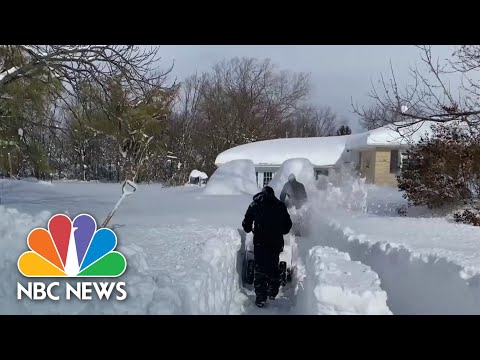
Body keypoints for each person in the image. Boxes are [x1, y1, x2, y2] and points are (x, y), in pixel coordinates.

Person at [242, 186, 292, 308]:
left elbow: (246, 225)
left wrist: (251, 227)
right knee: (273, 266)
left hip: (260, 243)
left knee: (259, 268)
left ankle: (261, 297)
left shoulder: (255, 205)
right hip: (276, 243)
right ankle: (272, 292)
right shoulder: (280, 206)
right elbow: (287, 227)